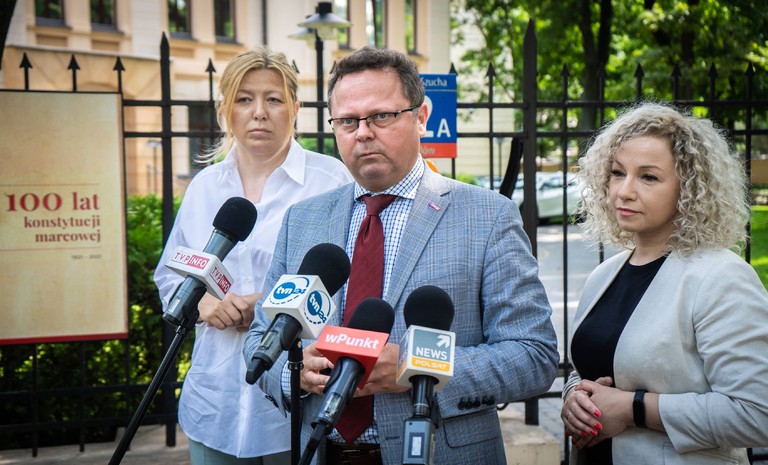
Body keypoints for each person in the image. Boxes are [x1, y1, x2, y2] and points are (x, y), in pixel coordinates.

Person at [243, 45, 559, 465]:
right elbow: (259, 340)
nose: (363, 133)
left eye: (382, 116)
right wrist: (294, 372)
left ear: (421, 116)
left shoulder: (488, 217)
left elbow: (534, 356)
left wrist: (415, 367)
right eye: (348, 120)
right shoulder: (303, 220)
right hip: (320, 453)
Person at [154, 46, 353, 465]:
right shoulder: (204, 187)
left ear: (295, 108)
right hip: (215, 403)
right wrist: (203, 304)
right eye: (244, 99)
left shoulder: (331, 182)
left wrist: (266, 305)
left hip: (293, 402)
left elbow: (353, 282)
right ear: (225, 109)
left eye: (273, 99)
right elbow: (170, 276)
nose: (259, 112)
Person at [561, 102, 768, 464]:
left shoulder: (721, 277)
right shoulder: (605, 274)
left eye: (648, 177)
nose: (624, 191)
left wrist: (635, 408)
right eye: (617, 172)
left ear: (689, 188)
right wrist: (574, 396)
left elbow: (757, 413)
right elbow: (592, 369)